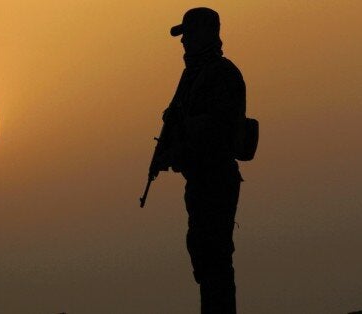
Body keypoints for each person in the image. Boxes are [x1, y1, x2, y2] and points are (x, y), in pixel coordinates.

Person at [161, 7, 246, 314]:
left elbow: (217, 127)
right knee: (202, 251)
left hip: (216, 177)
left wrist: (182, 128)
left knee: (215, 255)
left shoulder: (221, 74)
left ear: (206, 35)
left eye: (189, 35)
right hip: (200, 179)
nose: (183, 43)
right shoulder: (194, 76)